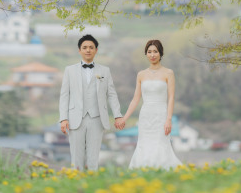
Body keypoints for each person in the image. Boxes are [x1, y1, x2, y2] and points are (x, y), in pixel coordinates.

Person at [59, 34, 124, 170]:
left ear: (96, 50)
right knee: (76, 158)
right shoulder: (69, 70)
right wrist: (63, 118)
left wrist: (118, 115)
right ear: (79, 50)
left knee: (93, 158)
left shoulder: (105, 70)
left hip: (97, 119)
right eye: (85, 47)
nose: (88, 50)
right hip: (75, 119)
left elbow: (111, 94)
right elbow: (64, 96)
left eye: (91, 47)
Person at [119, 39, 182, 169]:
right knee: (144, 144)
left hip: (161, 115)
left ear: (160, 53)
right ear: (146, 54)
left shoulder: (168, 73)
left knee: (161, 144)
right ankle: (143, 172)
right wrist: (125, 118)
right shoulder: (141, 74)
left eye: (155, 51)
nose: (152, 55)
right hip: (146, 116)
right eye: (149, 52)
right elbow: (136, 98)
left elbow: (171, 97)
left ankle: (163, 173)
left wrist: (168, 119)